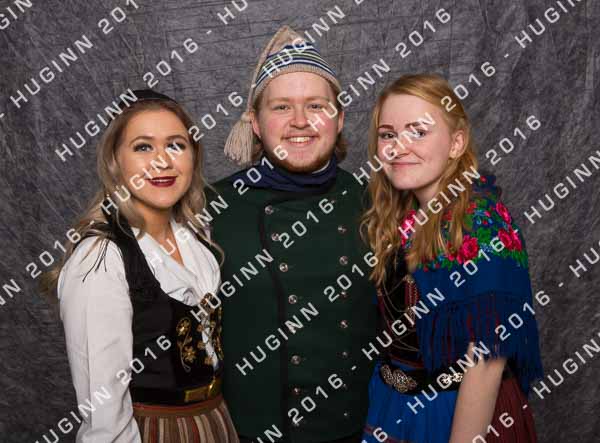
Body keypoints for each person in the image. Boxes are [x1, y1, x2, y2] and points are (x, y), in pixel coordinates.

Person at [207, 26, 378, 442]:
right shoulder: (211, 208)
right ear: (255, 122)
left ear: (340, 119)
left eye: (316, 105)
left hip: (353, 431)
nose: (300, 121)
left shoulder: (375, 203)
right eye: (282, 107)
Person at [40, 90, 239, 442]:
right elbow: (104, 411)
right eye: (143, 147)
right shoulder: (101, 257)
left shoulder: (197, 237)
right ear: (115, 161)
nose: (162, 161)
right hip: (154, 429)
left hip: (215, 420)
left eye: (176, 145)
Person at [359, 74, 544, 443]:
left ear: (456, 143)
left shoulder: (482, 221)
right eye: (388, 134)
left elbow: (486, 362)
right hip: (392, 403)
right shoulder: (401, 214)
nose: (399, 147)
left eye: (418, 132)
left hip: (459, 411)